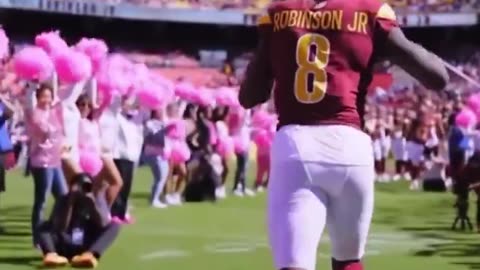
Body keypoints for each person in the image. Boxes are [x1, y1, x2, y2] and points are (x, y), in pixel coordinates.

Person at [239, 1, 449, 270]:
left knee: (295, 263)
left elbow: (250, 97)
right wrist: (387, 39)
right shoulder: (369, 9)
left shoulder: (279, 11)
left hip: (297, 146)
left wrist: (277, 53)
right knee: (348, 261)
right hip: (351, 148)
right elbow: (438, 78)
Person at [37, 173, 120, 268]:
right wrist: (70, 204)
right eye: (81, 186)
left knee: (115, 225)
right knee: (42, 224)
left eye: (87, 186)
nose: (83, 190)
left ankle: (90, 255)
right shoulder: (63, 200)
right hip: (63, 243)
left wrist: (92, 205)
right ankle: (51, 254)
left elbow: (102, 224)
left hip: (84, 243)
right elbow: (61, 228)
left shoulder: (94, 199)